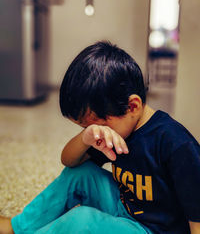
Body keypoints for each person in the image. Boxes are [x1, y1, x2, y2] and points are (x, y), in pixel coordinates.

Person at [0, 41, 200, 234]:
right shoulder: (117, 128)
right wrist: (85, 137)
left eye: (96, 125)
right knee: (79, 174)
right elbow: (68, 161)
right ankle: (19, 228)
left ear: (132, 106)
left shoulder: (176, 144)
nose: (96, 131)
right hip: (125, 207)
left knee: (82, 220)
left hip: (153, 230)